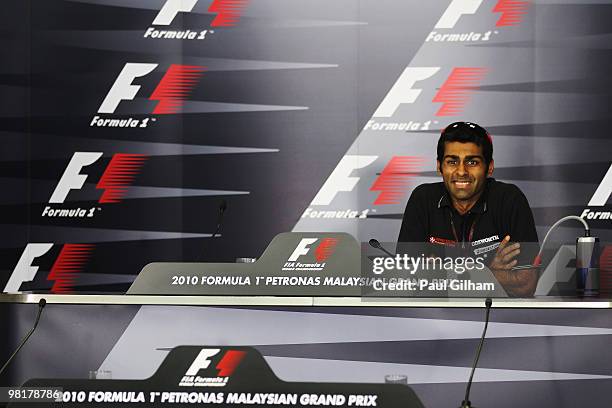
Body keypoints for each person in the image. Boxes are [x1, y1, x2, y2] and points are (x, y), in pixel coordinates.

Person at [398, 122, 539, 297]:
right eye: (452, 161)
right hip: (433, 319)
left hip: (499, 319)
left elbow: (525, 284)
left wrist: (442, 274)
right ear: (439, 166)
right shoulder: (423, 199)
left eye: (472, 162)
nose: (461, 171)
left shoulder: (509, 200)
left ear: (489, 167)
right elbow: (404, 280)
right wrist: (490, 273)